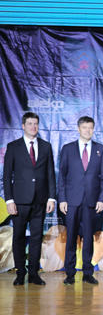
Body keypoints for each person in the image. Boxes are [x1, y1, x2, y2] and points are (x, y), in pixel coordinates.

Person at [3, 112, 56, 286]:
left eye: (36, 124)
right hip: (19, 201)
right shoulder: (13, 146)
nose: (33, 127)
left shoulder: (46, 146)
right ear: (23, 126)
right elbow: (6, 176)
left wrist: (51, 198)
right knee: (18, 237)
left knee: (36, 238)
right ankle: (20, 272)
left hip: (40, 200)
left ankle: (33, 273)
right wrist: (9, 200)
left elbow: (50, 174)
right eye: (30, 124)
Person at [58, 117, 103, 285]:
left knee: (88, 238)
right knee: (71, 238)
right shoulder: (68, 149)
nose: (88, 130)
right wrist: (62, 199)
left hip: (91, 201)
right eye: (84, 127)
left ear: (94, 129)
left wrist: (102, 199)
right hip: (71, 200)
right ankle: (70, 273)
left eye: (90, 128)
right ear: (78, 129)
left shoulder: (100, 149)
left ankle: (88, 273)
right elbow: (62, 176)